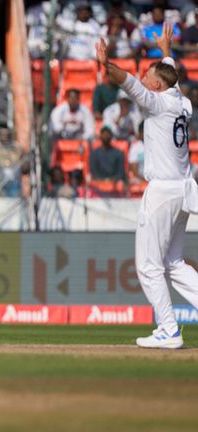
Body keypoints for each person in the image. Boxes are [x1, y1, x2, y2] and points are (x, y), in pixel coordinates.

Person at [97, 24, 198, 349]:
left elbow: (128, 84)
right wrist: (166, 48)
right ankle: (168, 328)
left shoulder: (158, 102)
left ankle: (169, 330)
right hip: (185, 187)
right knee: (173, 264)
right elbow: (172, 76)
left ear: (156, 83)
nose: (144, 77)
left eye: (149, 74)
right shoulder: (181, 102)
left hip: (164, 192)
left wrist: (106, 65)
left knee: (148, 266)